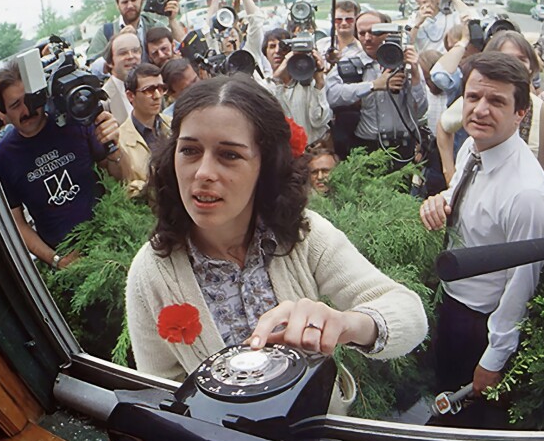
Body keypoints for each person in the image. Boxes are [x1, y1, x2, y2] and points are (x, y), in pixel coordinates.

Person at [125, 75, 427, 381]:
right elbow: (160, 394)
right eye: (189, 150)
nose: (203, 173)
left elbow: (409, 314)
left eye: (229, 155)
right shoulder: (152, 272)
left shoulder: (302, 235)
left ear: (266, 165)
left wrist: (348, 324)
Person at [419, 52, 544, 415]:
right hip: (450, 304)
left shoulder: (527, 195)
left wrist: (493, 358)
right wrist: (439, 202)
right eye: (473, 97)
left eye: (496, 101)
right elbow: (463, 198)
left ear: (520, 113)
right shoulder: (472, 147)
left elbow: (523, 286)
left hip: (481, 326)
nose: (480, 110)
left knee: (469, 421)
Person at [0, 60, 130, 270]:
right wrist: (56, 259)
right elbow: (16, 223)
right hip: (66, 259)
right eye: (15, 105)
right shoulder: (2, 157)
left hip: (112, 235)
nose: (26, 109)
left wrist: (115, 148)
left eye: (30, 99)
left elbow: (120, 178)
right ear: (2, 113)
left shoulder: (75, 122)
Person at [325, 10, 428, 163]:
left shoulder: (405, 62)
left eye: (374, 32)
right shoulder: (350, 64)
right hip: (366, 146)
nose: (367, 38)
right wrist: (373, 85)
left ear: (388, 32)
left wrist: (415, 74)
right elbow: (331, 96)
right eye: (361, 33)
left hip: (403, 147)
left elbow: (420, 110)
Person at [483, 31, 544, 194]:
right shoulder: (478, 104)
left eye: (522, 59)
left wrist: (529, 190)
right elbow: (444, 127)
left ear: (531, 66)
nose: (514, 65)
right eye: (506, 58)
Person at [87, 0, 185, 64]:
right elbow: (93, 67)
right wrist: (116, 42)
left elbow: (181, 46)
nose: (130, 5)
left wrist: (172, 19)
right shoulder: (106, 32)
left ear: (142, 0)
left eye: (134, 0)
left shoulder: (154, 26)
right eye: (125, 2)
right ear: (117, 5)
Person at [118, 63, 171, 193]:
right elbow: (126, 188)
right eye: (149, 90)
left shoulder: (174, 125)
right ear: (131, 96)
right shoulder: (120, 141)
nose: (157, 95)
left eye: (161, 88)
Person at [102, 30, 142, 124]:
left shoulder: (155, 87)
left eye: (135, 51)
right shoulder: (104, 99)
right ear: (110, 62)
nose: (131, 56)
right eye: (123, 53)